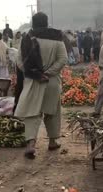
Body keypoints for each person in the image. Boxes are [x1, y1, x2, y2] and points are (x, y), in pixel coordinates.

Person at [15, 12, 68, 159]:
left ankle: (31, 144)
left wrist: (35, 73)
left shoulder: (27, 38)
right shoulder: (57, 37)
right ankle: (52, 141)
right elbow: (63, 59)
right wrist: (48, 72)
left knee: (32, 113)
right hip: (51, 82)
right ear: (46, 22)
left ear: (33, 23)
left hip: (33, 81)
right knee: (52, 112)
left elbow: (20, 61)